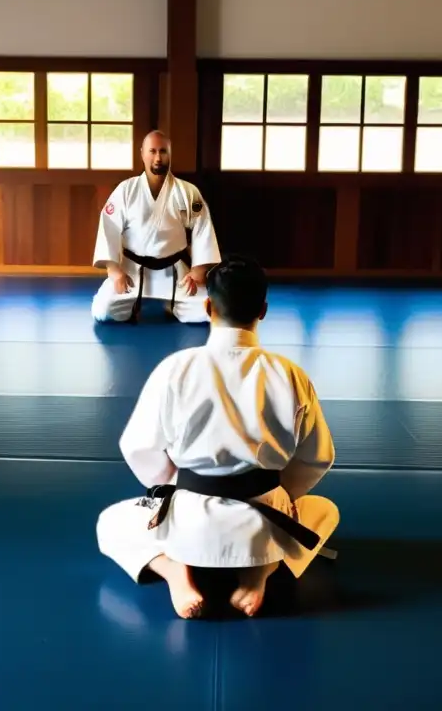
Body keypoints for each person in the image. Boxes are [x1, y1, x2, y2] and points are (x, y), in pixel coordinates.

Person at [96, 255, 339, 618]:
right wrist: (284, 494)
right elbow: (318, 456)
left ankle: (175, 572)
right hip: (264, 524)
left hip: (189, 525)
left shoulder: (175, 368)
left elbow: (139, 446)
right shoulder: (289, 374)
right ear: (264, 310)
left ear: (208, 306)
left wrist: (173, 486)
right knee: (325, 511)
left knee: (111, 521)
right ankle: (261, 572)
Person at [91, 131, 220, 323]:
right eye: (152, 151)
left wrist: (198, 271)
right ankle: (133, 303)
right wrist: (114, 270)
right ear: (142, 153)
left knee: (206, 313)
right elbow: (108, 228)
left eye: (163, 151)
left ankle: (173, 304)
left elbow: (203, 229)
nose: (158, 158)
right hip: (132, 270)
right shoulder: (126, 190)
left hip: (176, 271)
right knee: (106, 312)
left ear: (170, 154)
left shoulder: (187, 191)